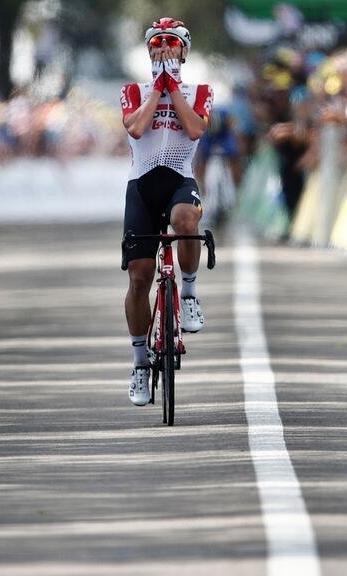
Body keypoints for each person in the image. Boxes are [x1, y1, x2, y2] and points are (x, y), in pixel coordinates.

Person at [119, 18, 213, 406]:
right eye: (157, 44)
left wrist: (174, 89)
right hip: (142, 186)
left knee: (185, 220)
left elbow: (193, 130)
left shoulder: (199, 90)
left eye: (171, 44)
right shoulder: (132, 90)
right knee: (140, 279)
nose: (163, 49)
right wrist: (156, 91)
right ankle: (141, 362)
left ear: (184, 52)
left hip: (179, 181)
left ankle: (188, 293)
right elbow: (136, 129)